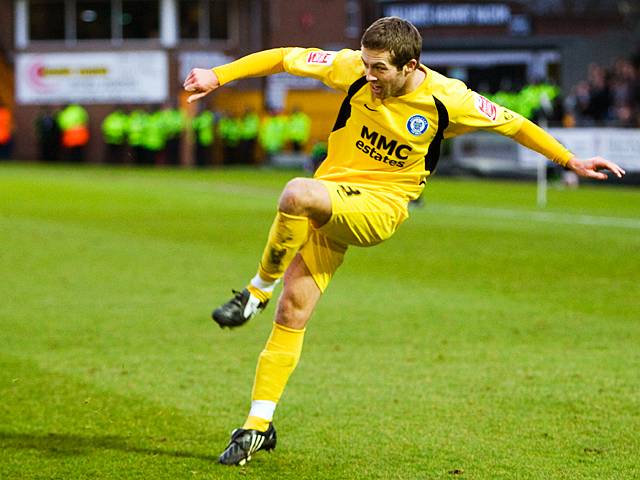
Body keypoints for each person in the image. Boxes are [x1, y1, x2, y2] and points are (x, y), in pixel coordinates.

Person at [183, 17, 626, 467]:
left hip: (378, 208)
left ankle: (255, 293)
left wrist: (569, 159)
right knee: (293, 311)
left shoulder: (448, 98)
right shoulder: (354, 68)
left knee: (295, 193)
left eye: (378, 70)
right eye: (365, 65)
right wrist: (218, 75)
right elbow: (283, 57)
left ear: (409, 65)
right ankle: (258, 425)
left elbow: (513, 124)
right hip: (332, 199)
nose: (368, 76)